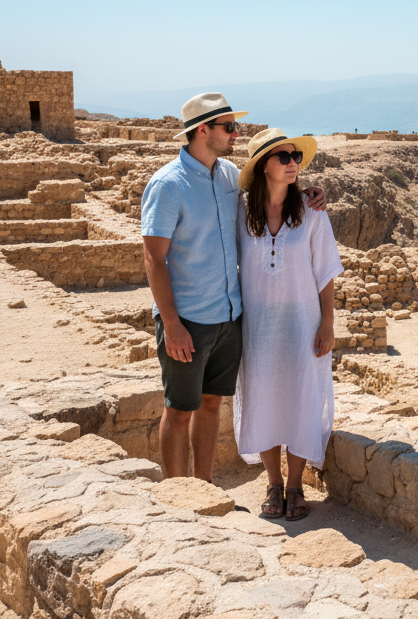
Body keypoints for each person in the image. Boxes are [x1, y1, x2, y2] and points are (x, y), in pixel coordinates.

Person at [141, 93, 325, 482]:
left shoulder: (227, 176)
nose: (236, 134)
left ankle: (204, 488)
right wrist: (171, 324)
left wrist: (310, 193)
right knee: (178, 409)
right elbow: (153, 258)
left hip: (229, 318)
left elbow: (272, 189)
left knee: (210, 405)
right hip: (188, 318)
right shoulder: (167, 184)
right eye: (230, 127)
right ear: (203, 130)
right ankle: (177, 497)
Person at [233, 128, 342, 520]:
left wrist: (327, 322)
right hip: (258, 326)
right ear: (264, 166)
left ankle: (295, 485)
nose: (293, 162)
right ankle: (273, 484)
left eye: (296, 155)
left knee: (300, 398)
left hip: (302, 324)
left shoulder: (312, 212)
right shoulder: (241, 211)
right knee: (263, 397)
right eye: (284, 157)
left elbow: (326, 271)